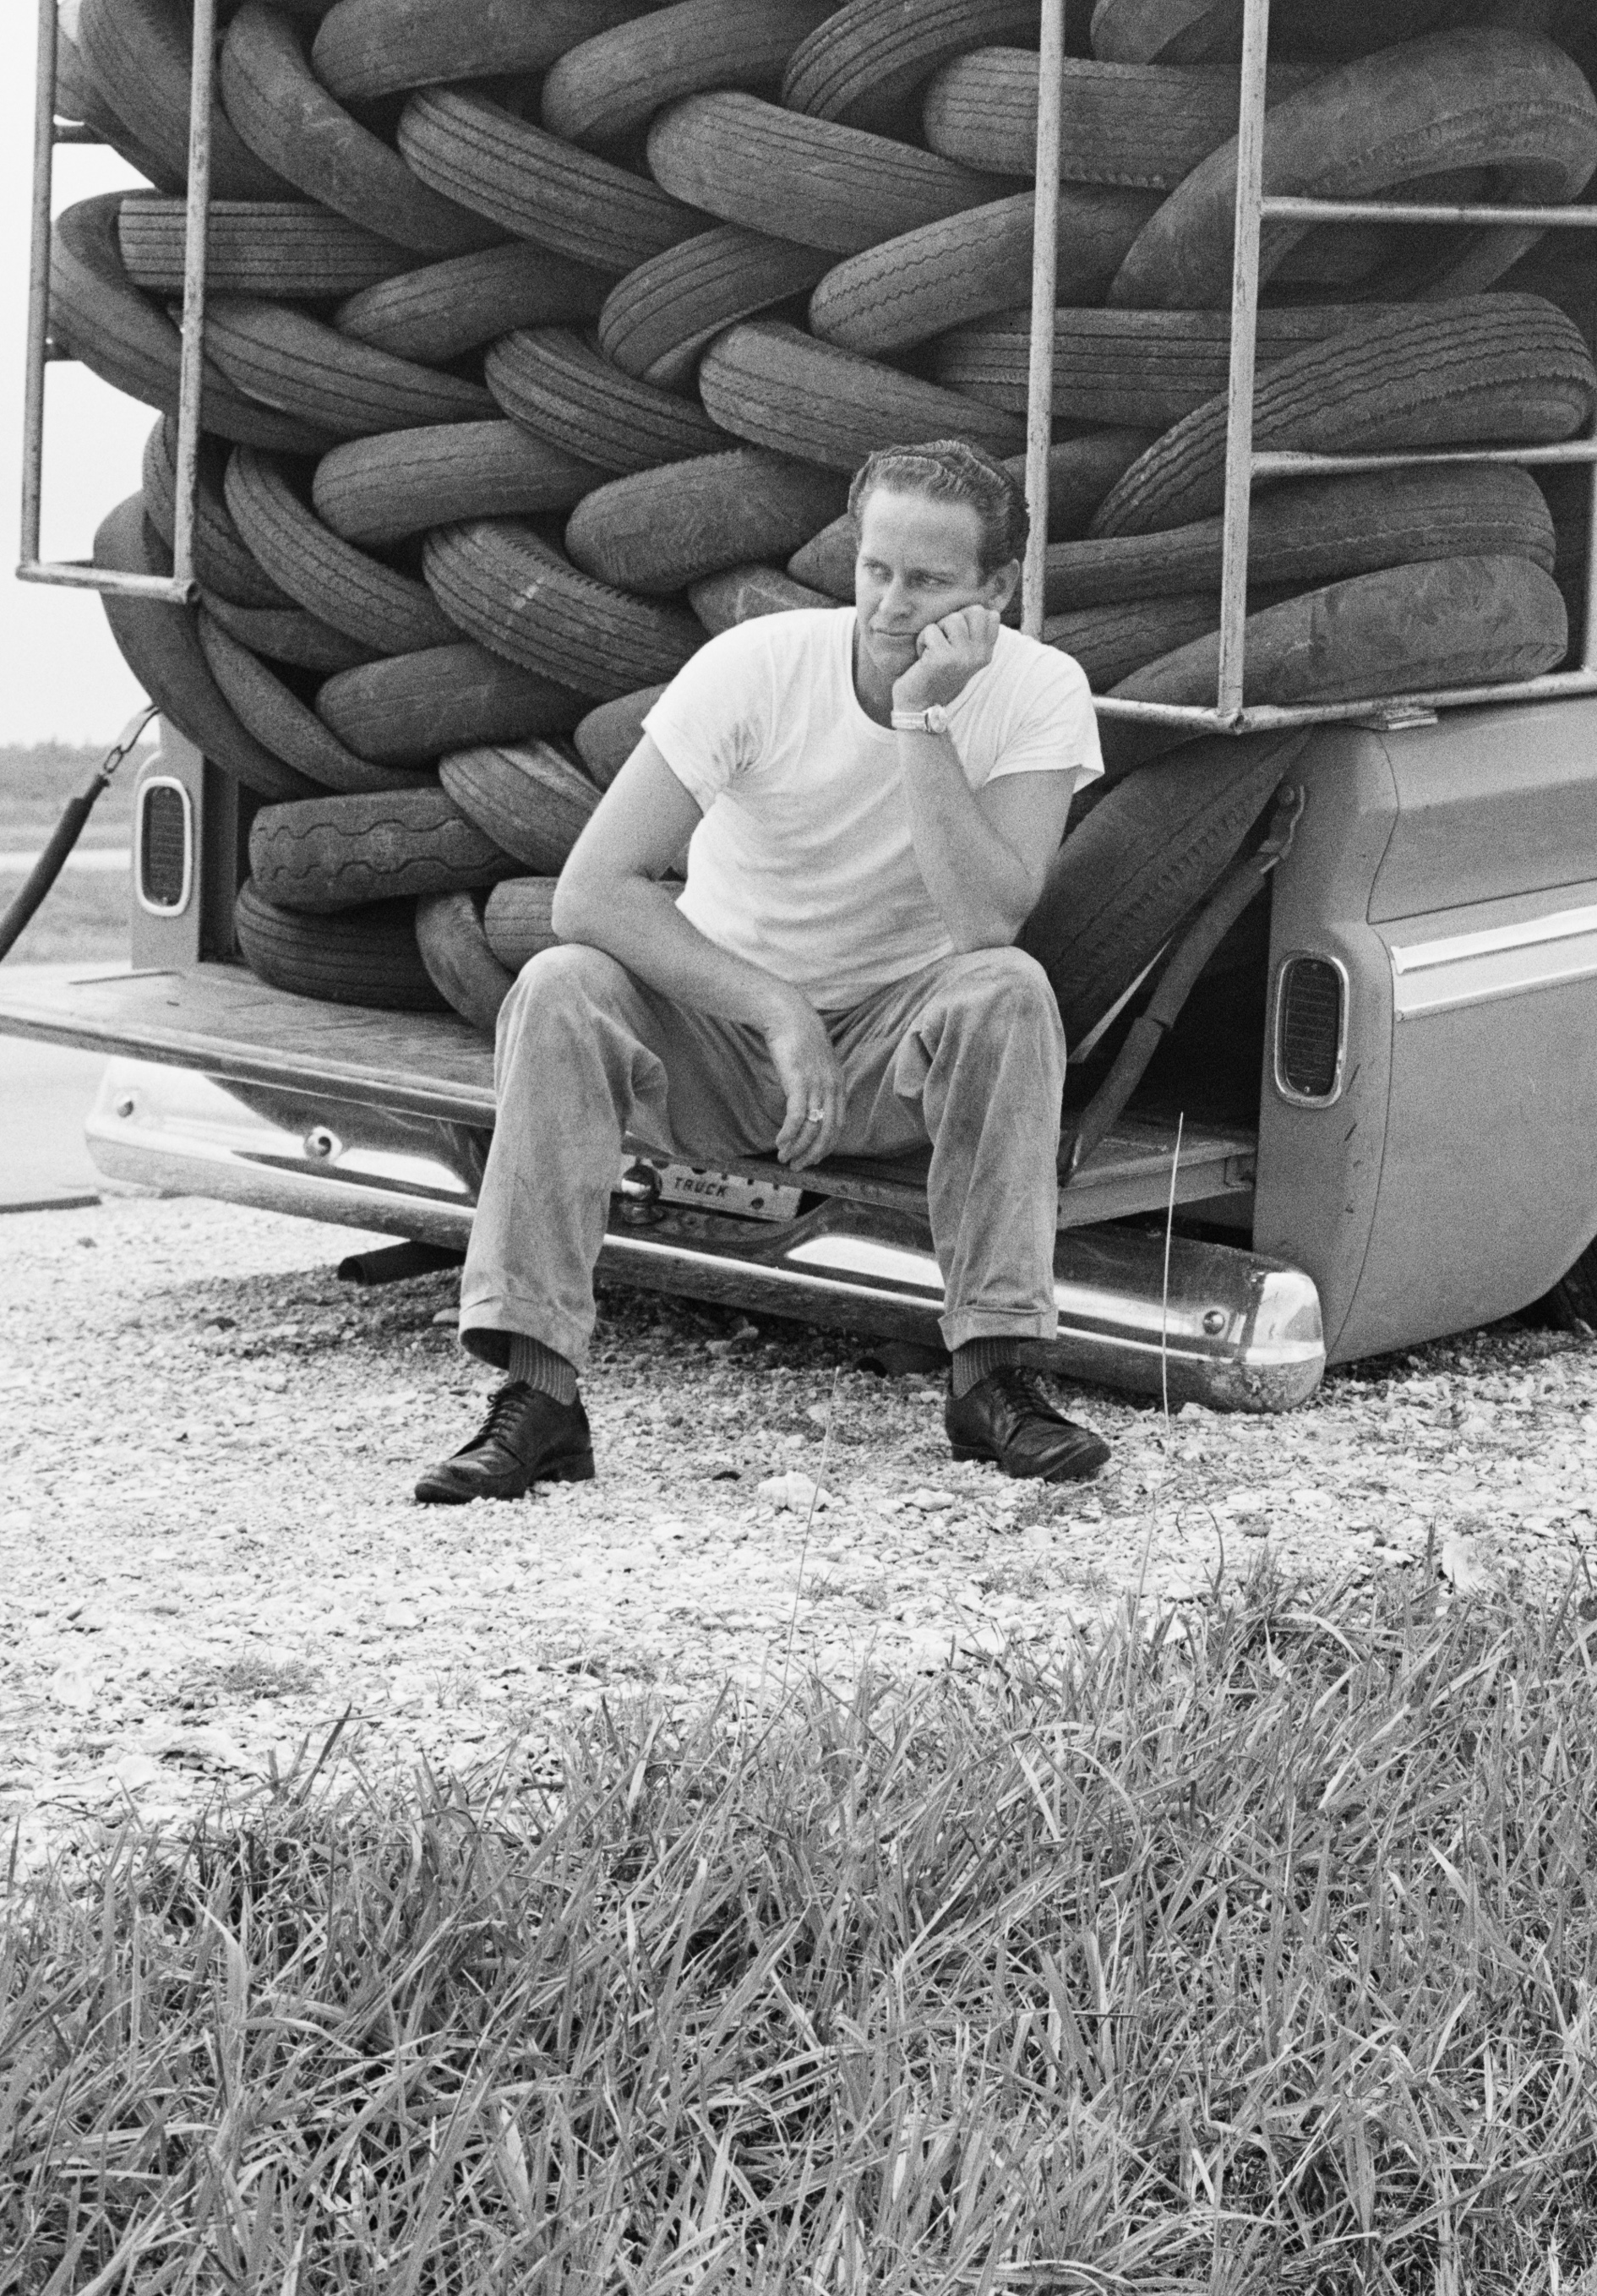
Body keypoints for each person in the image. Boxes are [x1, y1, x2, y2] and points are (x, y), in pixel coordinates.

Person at [415, 436, 1114, 1504]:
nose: (889, 606)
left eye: (927, 582)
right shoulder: (758, 667)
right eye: (876, 569)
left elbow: (986, 921)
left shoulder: (1040, 690)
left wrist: (925, 715)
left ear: (997, 590)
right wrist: (774, 1007)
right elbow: (592, 891)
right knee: (560, 982)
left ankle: (996, 1377)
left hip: (890, 1052)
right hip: (719, 1040)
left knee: (1010, 992)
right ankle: (538, 1397)